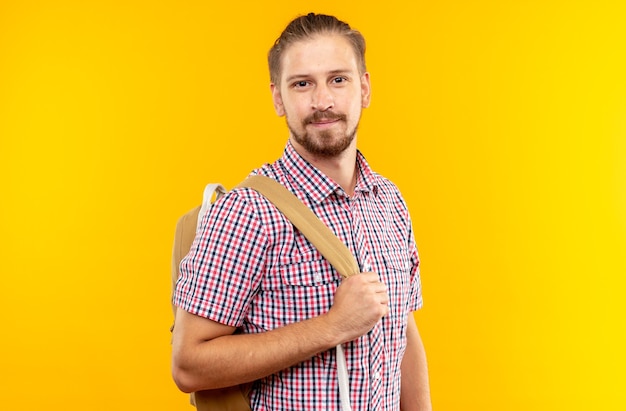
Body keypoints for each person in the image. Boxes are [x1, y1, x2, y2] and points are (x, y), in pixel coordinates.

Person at [172, 12, 432, 410]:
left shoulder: (389, 201)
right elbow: (188, 364)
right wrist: (332, 326)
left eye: (338, 79)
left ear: (364, 89)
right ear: (279, 98)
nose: (322, 101)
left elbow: (402, 330)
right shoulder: (247, 213)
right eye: (302, 84)